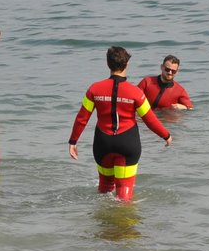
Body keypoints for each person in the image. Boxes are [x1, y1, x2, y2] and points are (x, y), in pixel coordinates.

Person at [67, 46, 172, 201]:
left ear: (108, 64)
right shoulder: (136, 93)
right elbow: (149, 119)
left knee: (104, 189)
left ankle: (104, 222)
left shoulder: (94, 89)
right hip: (127, 144)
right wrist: (166, 135)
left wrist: (73, 141)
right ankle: (124, 224)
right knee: (124, 193)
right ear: (127, 64)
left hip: (103, 144)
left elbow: (82, 117)